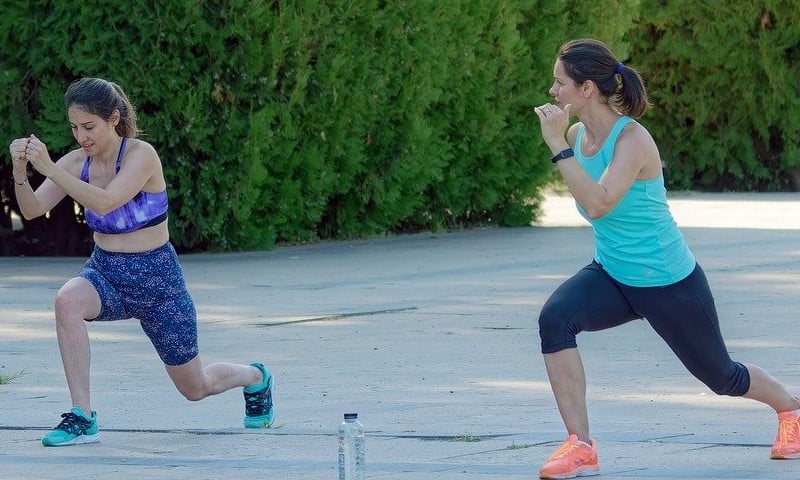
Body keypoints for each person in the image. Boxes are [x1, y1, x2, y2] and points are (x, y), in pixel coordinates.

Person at [533, 38, 800, 479]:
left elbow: (599, 204)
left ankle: (791, 409)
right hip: (614, 275)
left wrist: (556, 147)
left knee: (722, 378)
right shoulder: (580, 136)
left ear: (586, 90)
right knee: (554, 319)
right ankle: (580, 447)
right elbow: (592, 203)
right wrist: (565, 146)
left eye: (559, 83)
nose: (552, 91)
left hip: (668, 282)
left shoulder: (633, 140)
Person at [8, 77, 275, 447]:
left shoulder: (141, 155)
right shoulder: (74, 162)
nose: (81, 136)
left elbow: (105, 201)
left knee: (195, 388)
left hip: (158, 281)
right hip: (107, 272)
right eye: (74, 127)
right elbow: (33, 209)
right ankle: (82, 415)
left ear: (113, 118)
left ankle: (255, 377)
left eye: (89, 127)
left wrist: (50, 167)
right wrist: (21, 172)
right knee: (66, 300)